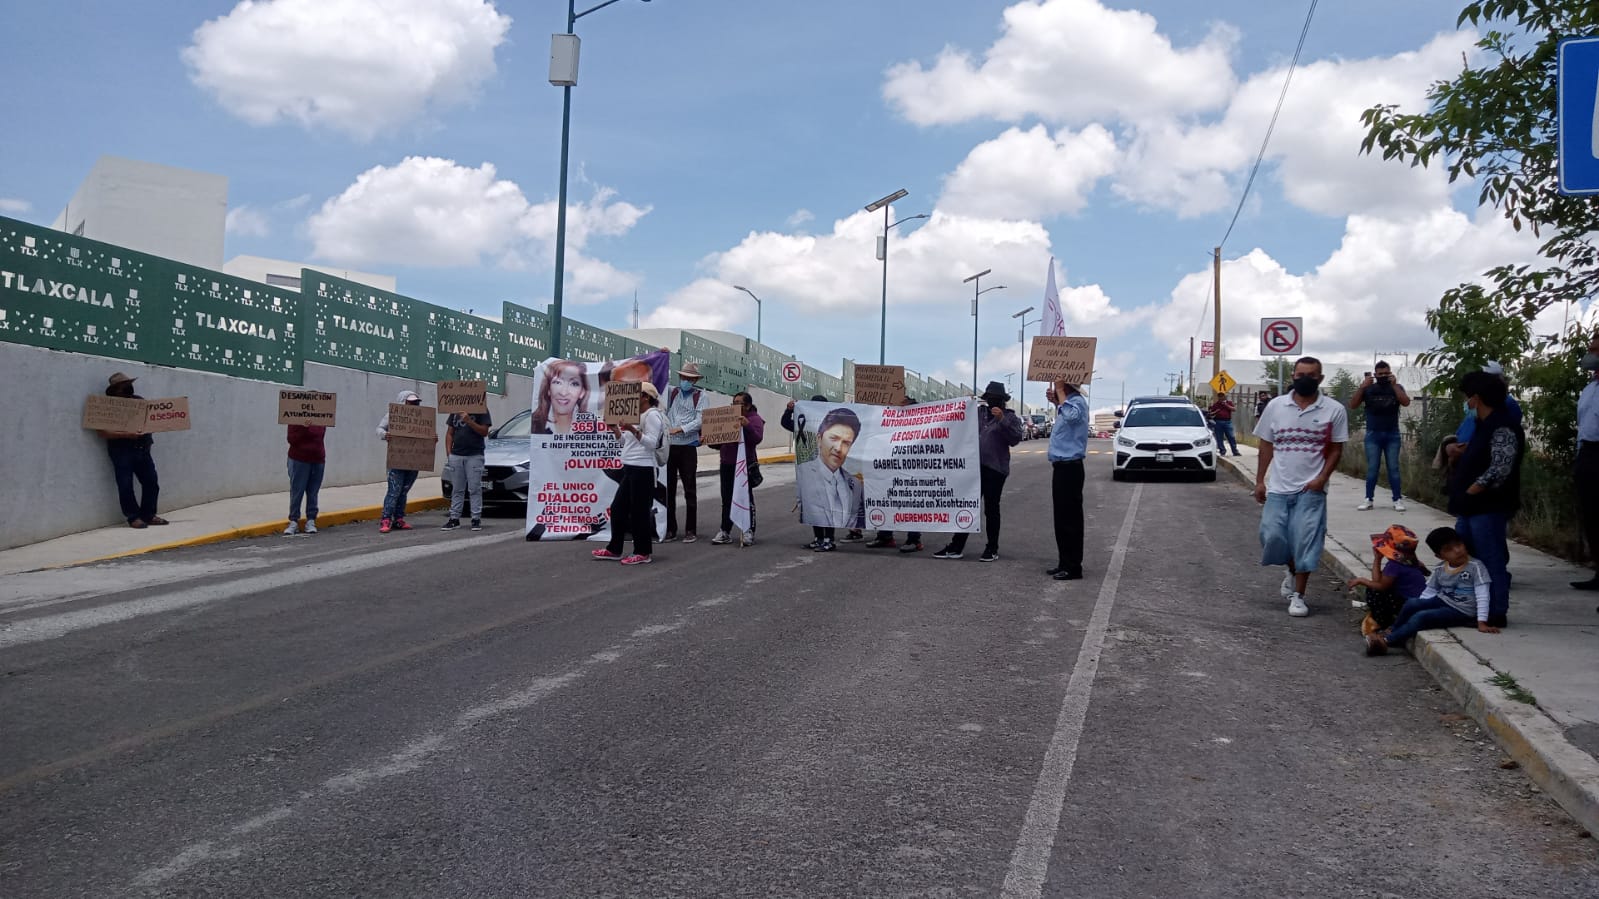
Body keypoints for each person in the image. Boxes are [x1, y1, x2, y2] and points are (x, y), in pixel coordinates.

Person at [1253, 356, 1349, 617]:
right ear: (1293, 376)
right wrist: (1260, 480)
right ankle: (1291, 569)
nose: (1304, 379)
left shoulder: (1333, 410)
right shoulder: (1276, 406)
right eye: (1299, 374)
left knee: (1306, 541)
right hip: (1279, 488)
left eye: (1311, 375)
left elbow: (1337, 449)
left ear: (1320, 378)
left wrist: (1322, 479)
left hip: (1311, 489)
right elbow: (1266, 445)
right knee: (1271, 536)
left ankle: (1299, 595)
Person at [1448, 370, 1523, 628]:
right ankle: (1474, 608)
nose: (1466, 402)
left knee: (1491, 560)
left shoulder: (1503, 426)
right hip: (1470, 507)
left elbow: (1500, 468)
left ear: (1477, 398)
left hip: (1488, 506)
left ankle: (1495, 611)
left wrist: (1472, 490)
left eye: (1467, 397)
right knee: (1470, 558)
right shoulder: (1483, 426)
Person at [1365, 526, 1499, 655]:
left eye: (1459, 545)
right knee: (1412, 604)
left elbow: (1483, 594)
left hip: (1462, 610)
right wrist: (1419, 604)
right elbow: (1430, 590)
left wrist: (1481, 622)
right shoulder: (1441, 568)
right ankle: (1392, 630)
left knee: (1422, 617)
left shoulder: (1475, 567)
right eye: (1449, 549)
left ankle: (1387, 641)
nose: (1457, 550)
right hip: (1442, 600)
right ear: (1439, 556)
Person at [935, 382, 1024, 561]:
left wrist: (1002, 420)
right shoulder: (978, 413)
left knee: (991, 508)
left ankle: (992, 548)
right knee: (968, 506)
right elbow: (956, 423)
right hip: (974, 469)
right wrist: (963, 403)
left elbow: (1016, 438)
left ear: (1002, 401)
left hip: (996, 469)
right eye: (989, 399)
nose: (992, 403)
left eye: (995, 400)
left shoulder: (1010, 417)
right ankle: (956, 546)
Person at [593, 381, 665, 565]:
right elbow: (625, 442)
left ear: (645, 397)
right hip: (630, 467)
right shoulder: (634, 415)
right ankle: (614, 549)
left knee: (639, 512)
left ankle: (643, 552)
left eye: (637, 394)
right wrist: (616, 429)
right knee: (618, 508)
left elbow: (652, 443)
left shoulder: (652, 416)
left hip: (643, 469)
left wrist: (633, 429)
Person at [97, 372, 167, 529]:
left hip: (143, 450)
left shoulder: (139, 401)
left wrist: (148, 438)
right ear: (116, 389)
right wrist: (127, 435)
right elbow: (102, 432)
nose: (128, 387)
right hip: (121, 451)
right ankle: (133, 517)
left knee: (151, 483)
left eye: (129, 383)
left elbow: (150, 422)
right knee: (125, 485)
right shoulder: (106, 406)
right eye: (124, 385)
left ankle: (148, 515)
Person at [1345, 524, 1428, 636]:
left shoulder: (1394, 566)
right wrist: (1377, 559)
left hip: (1407, 604)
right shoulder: (1412, 562)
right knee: (1374, 587)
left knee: (1374, 592)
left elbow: (1381, 586)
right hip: (1417, 603)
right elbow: (1378, 580)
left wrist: (1362, 581)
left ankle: (1382, 621)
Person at [1350, 360, 1411, 512]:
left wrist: (1395, 385)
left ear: (1390, 373)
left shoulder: (1396, 388)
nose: (1383, 376)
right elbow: (1353, 405)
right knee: (1372, 468)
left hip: (1392, 434)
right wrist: (1362, 386)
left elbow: (1406, 402)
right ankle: (1368, 499)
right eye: (1380, 374)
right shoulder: (1369, 389)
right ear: (1375, 374)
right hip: (1373, 434)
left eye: (1386, 373)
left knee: (1394, 468)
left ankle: (1397, 499)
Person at [795, 406, 865, 537]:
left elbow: (854, 518)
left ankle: (829, 539)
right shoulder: (806, 473)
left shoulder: (855, 484)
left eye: (846, 443)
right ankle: (819, 538)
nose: (838, 448)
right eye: (833, 438)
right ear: (819, 439)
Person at [867, 396, 924, 553]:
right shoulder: (892, 424)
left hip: (912, 472)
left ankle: (914, 539)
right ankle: (885, 535)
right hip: (890, 470)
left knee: (911, 506)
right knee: (887, 502)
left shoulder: (921, 424)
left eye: (904, 407)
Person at [1047, 380, 1090, 580]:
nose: (1056, 386)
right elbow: (1067, 417)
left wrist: (1061, 393)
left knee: (1070, 519)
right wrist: (1057, 402)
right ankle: (1064, 561)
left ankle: (1073, 566)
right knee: (1061, 518)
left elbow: (1073, 418)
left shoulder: (1077, 402)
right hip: (1061, 466)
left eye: (1060, 384)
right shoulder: (1068, 403)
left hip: (1071, 466)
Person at [709, 392, 764, 547]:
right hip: (727, 463)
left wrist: (746, 425)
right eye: (734, 402)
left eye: (739, 403)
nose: (735, 406)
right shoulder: (728, 419)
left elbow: (756, 438)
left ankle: (748, 531)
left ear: (747, 406)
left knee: (746, 499)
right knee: (726, 499)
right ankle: (725, 530)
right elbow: (718, 441)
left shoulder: (755, 420)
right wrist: (708, 438)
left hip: (744, 465)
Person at [785, 395, 837, 551]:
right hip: (809, 472)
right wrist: (788, 411)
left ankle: (829, 539)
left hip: (826, 471)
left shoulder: (831, 424)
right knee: (813, 505)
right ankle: (818, 538)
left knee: (827, 506)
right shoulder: (804, 423)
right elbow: (786, 423)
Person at [662, 362, 706, 544]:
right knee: (669, 489)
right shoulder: (673, 393)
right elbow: (658, 380)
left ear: (695, 380)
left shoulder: (701, 396)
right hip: (671, 446)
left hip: (688, 446)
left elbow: (700, 419)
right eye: (683, 378)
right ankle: (671, 528)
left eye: (689, 379)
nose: (685, 381)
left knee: (689, 489)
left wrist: (680, 429)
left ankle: (690, 529)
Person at [376, 390, 428, 534]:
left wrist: (431, 440)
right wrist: (385, 435)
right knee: (394, 490)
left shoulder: (421, 418)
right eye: (411, 402)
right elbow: (379, 428)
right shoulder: (392, 415)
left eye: (416, 402)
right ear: (402, 402)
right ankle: (386, 519)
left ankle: (399, 518)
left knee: (404, 491)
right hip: (397, 459)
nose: (414, 405)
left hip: (413, 460)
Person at [1574, 334, 1599, 597]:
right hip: (1588, 452)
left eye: (1595, 350)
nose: (1590, 354)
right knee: (1590, 515)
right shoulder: (1591, 386)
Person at [442, 405, 493, 532]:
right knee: (457, 489)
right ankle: (454, 518)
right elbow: (450, 433)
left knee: (474, 488)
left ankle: (475, 518)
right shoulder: (456, 410)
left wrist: (469, 421)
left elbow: (484, 432)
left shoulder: (482, 409)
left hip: (474, 455)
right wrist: (449, 453)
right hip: (456, 455)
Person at [285, 422, 326, 535]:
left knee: (313, 492)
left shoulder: (319, 418)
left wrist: (309, 428)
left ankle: (311, 520)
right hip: (299, 459)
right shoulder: (295, 420)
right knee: (297, 491)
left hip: (317, 458)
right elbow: (291, 439)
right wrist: (304, 428)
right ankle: (293, 521)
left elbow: (319, 434)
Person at [532, 359, 589, 434]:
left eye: (574, 384)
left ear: (582, 392)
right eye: (557, 382)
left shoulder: (594, 427)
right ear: (548, 389)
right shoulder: (534, 423)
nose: (563, 393)